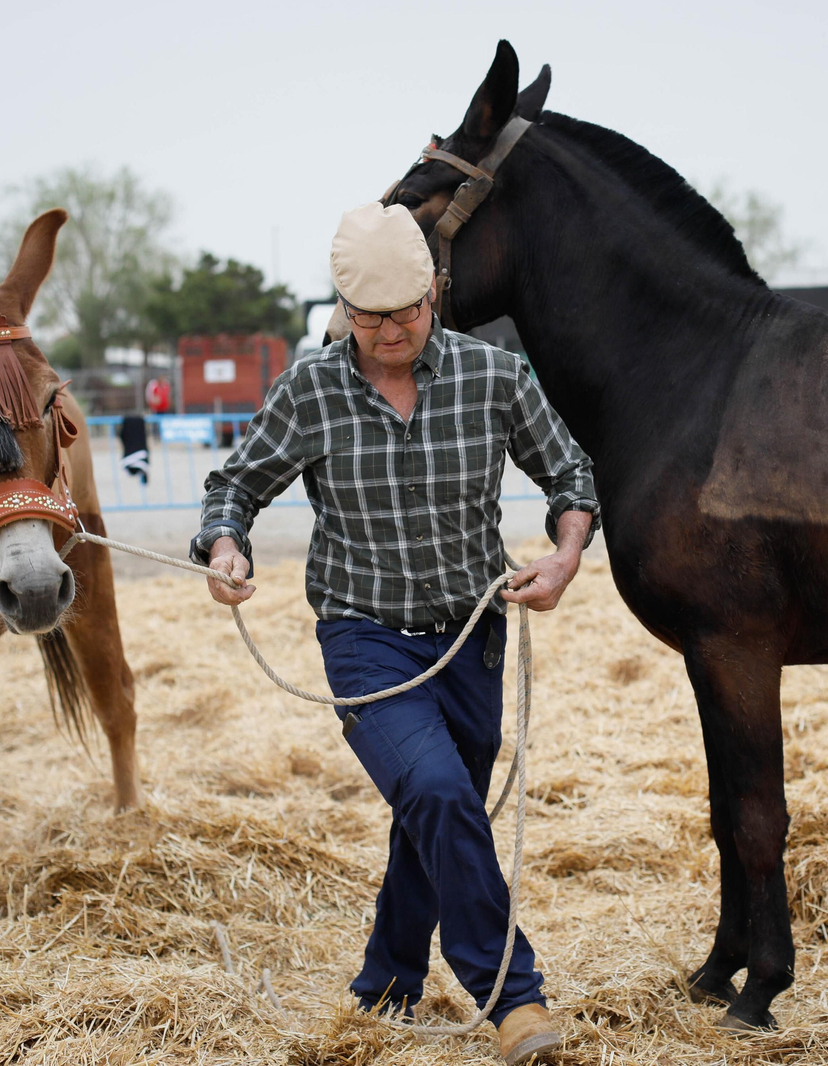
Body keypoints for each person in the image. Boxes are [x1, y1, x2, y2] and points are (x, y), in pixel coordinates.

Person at [190, 202, 598, 1064]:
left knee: (433, 812)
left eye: (406, 312)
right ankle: (513, 999)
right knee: (443, 796)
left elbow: (570, 474)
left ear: (435, 294)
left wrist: (563, 559)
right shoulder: (309, 390)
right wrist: (226, 545)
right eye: (369, 315)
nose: (389, 331)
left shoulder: (495, 378)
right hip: (364, 638)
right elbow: (234, 485)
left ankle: (385, 989)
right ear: (343, 306)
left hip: (472, 638)